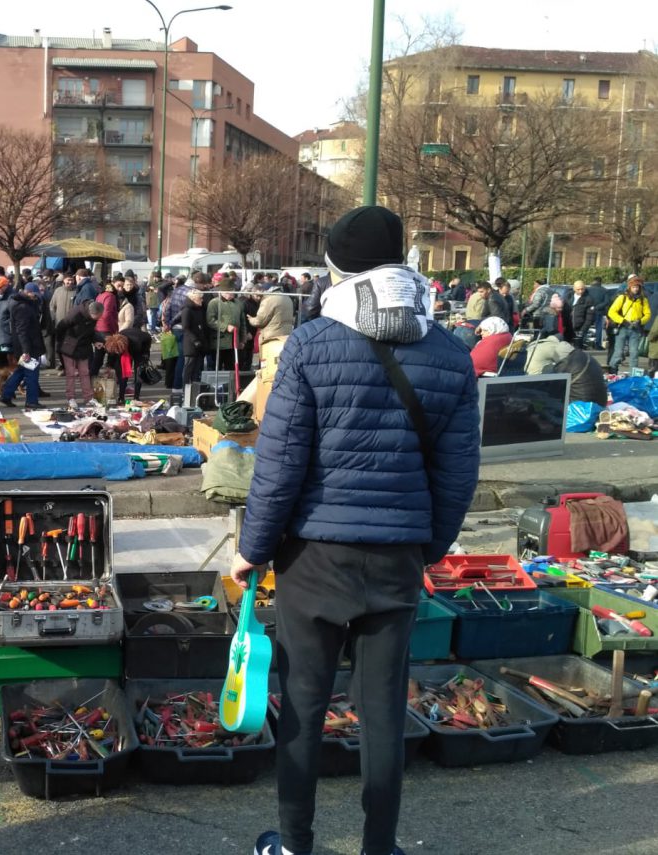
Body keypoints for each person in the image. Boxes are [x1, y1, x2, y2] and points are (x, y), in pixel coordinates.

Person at [231, 205, 479, 855]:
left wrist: (252, 549)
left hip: (315, 556)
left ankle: (294, 843)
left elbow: (279, 466)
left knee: (303, 705)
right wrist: (426, 546)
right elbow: (457, 475)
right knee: (384, 712)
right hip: (397, 556)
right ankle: (379, 845)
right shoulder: (450, 354)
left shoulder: (311, 344)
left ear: (336, 269)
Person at [0, 282, 44, 408]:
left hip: (26, 345)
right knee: (32, 374)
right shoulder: (23, 308)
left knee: (21, 371)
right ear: (28, 293)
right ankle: (31, 401)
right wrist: (26, 351)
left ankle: (6, 395)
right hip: (28, 346)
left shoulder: (24, 304)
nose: (36, 297)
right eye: (35, 295)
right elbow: (22, 331)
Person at [55, 301, 104, 407]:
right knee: (70, 373)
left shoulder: (93, 318)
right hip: (69, 345)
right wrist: (61, 343)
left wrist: (95, 341)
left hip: (83, 346)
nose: (99, 318)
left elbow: (90, 331)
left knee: (85, 372)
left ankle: (89, 398)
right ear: (92, 313)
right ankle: (71, 398)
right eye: (98, 316)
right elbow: (60, 327)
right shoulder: (75, 314)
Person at [608, 275, 652, 374]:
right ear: (629, 287)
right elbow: (611, 312)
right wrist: (623, 321)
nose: (636, 289)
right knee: (618, 352)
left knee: (634, 353)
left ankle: (633, 374)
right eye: (634, 287)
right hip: (623, 327)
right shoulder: (622, 297)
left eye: (637, 287)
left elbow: (648, 314)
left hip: (635, 329)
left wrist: (640, 321)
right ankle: (612, 371)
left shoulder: (643, 300)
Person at [180, 287, 208, 389]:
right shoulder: (187, 310)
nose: (202, 300)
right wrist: (195, 340)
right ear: (193, 299)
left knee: (197, 370)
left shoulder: (199, 309)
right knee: (188, 368)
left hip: (200, 343)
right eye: (200, 298)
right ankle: (185, 390)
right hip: (191, 344)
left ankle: (195, 391)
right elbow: (185, 327)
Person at [49, 274, 77, 375]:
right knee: (59, 348)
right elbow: (52, 306)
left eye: (71, 280)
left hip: (72, 326)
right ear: (64, 281)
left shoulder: (76, 292)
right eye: (68, 280)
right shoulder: (58, 291)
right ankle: (64, 367)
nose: (70, 282)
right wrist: (54, 318)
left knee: (70, 348)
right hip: (59, 324)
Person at [570, 280, 595, 350]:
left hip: (580, 328)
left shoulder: (588, 299)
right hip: (568, 327)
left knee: (578, 350)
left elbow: (589, 318)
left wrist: (583, 330)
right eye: (578, 289)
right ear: (574, 289)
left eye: (582, 289)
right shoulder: (569, 297)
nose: (580, 291)